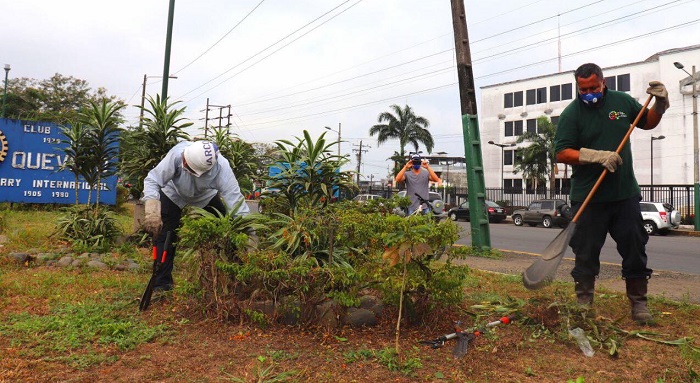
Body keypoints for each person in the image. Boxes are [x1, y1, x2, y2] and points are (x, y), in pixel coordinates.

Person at [554, 63, 668, 324]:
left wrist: (660, 105)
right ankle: (584, 303)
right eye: (583, 89)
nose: (589, 92)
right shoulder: (572, 114)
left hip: (624, 194)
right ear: (578, 87)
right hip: (588, 197)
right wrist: (595, 156)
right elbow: (561, 152)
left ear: (603, 82)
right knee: (585, 251)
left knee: (634, 247)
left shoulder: (621, 101)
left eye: (593, 87)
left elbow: (647, 123)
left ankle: (639, 305)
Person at [141, 140, 250, 292]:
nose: (183, 164)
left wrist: (247, 231)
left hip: (205, 196)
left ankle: (240, 276)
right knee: (166, 236)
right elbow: (153, 179)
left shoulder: (222, 168)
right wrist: (152, 210)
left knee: (227, 231)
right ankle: (161, 283)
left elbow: (235, 200)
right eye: (184, 162)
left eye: (187, 166)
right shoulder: (177, 154)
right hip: (172, 192)